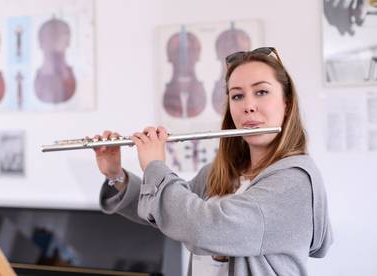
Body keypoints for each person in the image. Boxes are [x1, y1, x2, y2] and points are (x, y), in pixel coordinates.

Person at [94, 47, 333, 276]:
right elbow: (169, 210)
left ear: (287, 102)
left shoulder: (294, 182)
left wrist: (155, 166)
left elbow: (203, 228)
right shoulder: (223, 172)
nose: (248, 106)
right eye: (237, 95)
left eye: (261, 92)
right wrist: (116, 175)